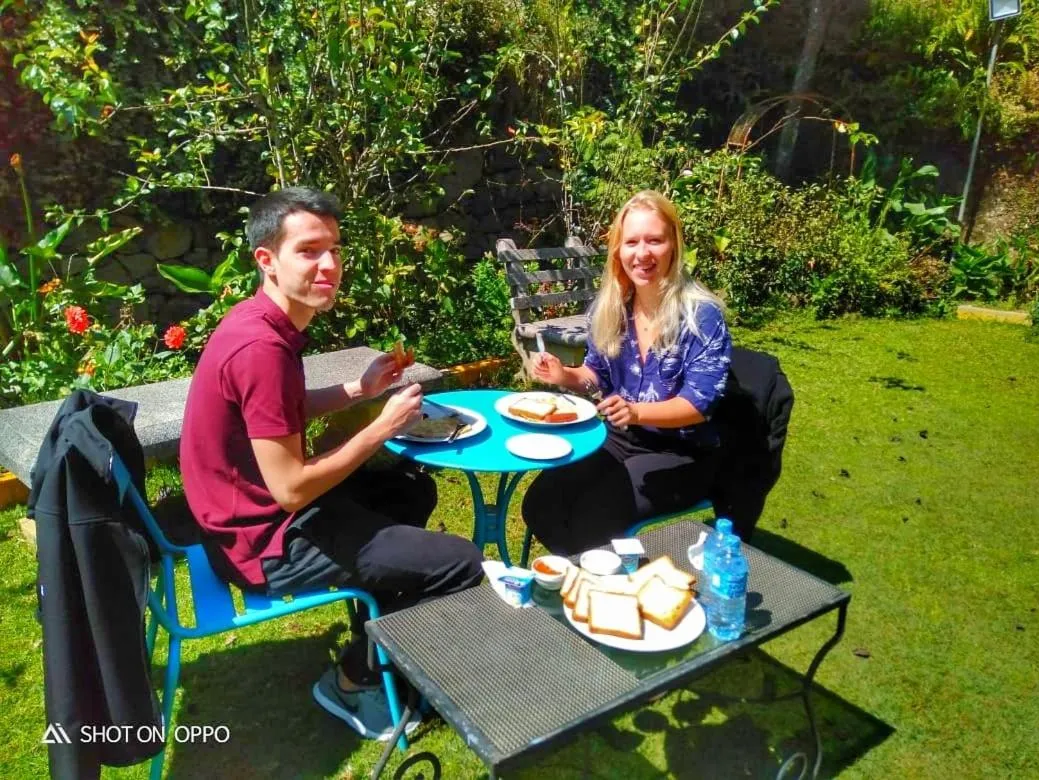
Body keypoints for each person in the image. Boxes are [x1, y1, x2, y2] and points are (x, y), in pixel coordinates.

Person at [179, 186, 483, 741]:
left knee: (412, 494)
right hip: (262, 542)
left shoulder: (261, 322)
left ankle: (380, 615)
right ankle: (352, 681)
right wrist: (381, 427)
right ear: (266, 260)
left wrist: (357, 389)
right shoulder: (260, 350)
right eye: (310, 250)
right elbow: (292, 488)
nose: (330, 264)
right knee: (460, 562)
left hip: (250, 517)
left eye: (335, 249)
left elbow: (278, 408)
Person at [522, 190, 732, 554]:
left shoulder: (701, 316)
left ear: (674, 246)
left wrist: (637, 412)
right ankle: (592, 580)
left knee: (595, 516)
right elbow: (596, 374)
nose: (642, 253)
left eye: (655, 240)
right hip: (620, 438)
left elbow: (699, 405)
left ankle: (613, 588)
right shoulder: (612, 308)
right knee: (542, 502)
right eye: (631, 242)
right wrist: (564, 375)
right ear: (618, 251)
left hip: (682, 452)